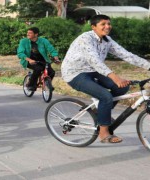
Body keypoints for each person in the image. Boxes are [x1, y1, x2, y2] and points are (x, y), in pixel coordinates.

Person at [61, 14, 150, 143]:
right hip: (75, 73)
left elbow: (126, 55)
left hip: (94, 71)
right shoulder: (85, 39)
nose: (107, 26)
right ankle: (103, 133)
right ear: (93, 27)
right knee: (105, 96)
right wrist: (115, 77)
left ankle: (100, 112)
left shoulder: (107, 40)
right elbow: (95, 61)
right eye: (103, 24)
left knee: (123, 88)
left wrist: (148, 66)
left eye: (108, 23)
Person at [17, 27, 60, 91]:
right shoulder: (24, 41)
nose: (28, 34)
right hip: (29, 61)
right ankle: (31, 85)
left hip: (43, 60)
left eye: (30, 33)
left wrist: (56, 58)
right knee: (38, 69)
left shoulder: (43, 41)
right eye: (27, 33)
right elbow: (20, 53)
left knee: (52, 72)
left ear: (36, 34)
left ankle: (47, 83)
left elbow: (51, 49)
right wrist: (29, 60)